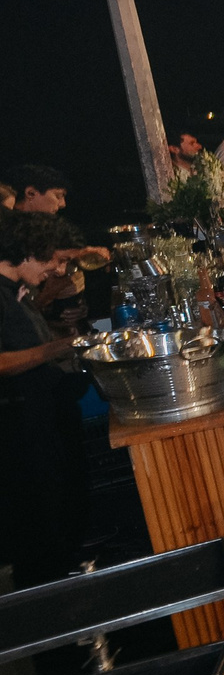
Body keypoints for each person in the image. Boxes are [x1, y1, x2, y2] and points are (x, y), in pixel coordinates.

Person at [0, 210, 89, 596]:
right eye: (55, 259)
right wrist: (58, 347)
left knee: (56, 519)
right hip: (19, 426)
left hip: (40, 415)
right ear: (28, 252)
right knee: (37, 533)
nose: (57, 268)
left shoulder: (14, 289)